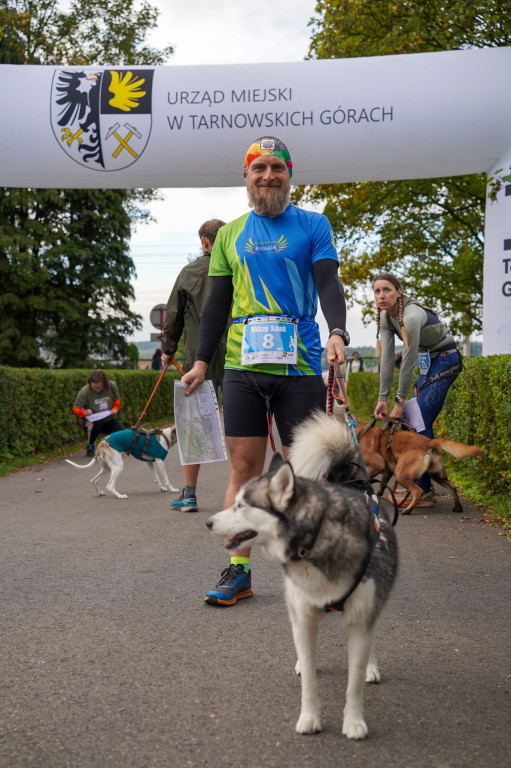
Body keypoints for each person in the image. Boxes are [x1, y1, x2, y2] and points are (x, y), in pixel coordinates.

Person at [181, 136, 349, 606]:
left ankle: (316, 570)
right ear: (247, 177)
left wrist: (337, 331)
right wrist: (199, 361)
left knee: (306, 472)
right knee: (244, 467)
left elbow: (327, 282)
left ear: (289, 175)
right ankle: (240, 571)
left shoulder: (314, 224)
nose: (268, 175)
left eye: (277, 167)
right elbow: (215, 305)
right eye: (259, 169)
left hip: (299, 365)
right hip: (241, 365)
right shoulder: (230, 235)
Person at [372, 272, 462, 507]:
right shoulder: (384, 315)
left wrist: (399, 401)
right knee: (412, 420)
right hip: (428, 361)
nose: (381, 295)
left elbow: (408, 363)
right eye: (377, 291)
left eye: (387, 290)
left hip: (445, 359)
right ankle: (426, 486)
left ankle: (424, 490)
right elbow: (387, 360)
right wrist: (383, 398)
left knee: (417, 419)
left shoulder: (411, 316)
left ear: (398, 292)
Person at [161, 218, 227, 512]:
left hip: (196, 357)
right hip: (238, 355)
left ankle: (189, 495)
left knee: (192, 426)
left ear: (204, 242)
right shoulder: (240, 270)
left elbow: (173, 315)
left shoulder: (190, 272)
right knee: (239, 424)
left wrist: (167, 349)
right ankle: (238, 494)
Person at [72, 369, 125, 457]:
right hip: (92, 421)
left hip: (108, 419)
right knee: (97, 425)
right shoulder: (85, 391)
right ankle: (90, 445)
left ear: (105, 384)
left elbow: (117, 400)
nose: (97, 390)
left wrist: (115, 409)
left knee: (122, 433)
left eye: (100, 387)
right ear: (90, 383)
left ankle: (114, 447)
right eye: (94, 387)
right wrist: (85, 412)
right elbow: (76, 408)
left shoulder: (112, 386)